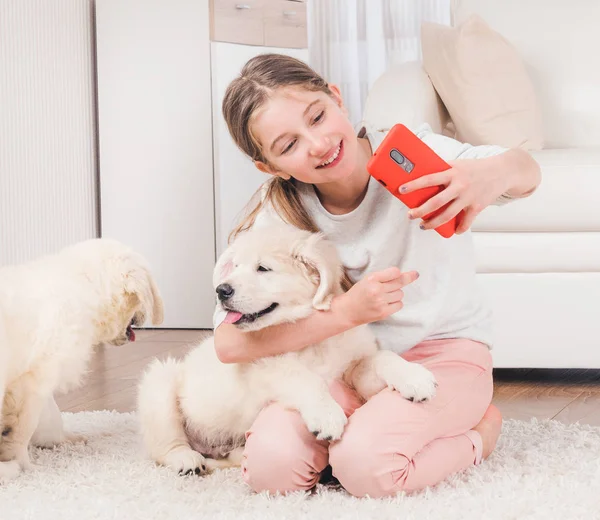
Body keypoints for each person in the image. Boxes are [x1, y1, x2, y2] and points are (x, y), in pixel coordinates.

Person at [213, 53, 541, 498]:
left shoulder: (413, 155)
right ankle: (373, 427)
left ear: (336, 97)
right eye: (288, 146)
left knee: (366, 467)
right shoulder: (277, 220)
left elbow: (527, 170)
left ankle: (480, 432)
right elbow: (229, 345)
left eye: (318, 116)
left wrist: (489, 173)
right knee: (273, 470)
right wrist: (346, 313)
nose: (318, 144)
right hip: (344, 363)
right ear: (269, 167)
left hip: (445, 354)